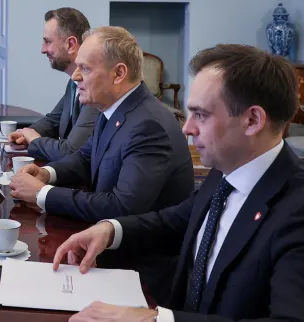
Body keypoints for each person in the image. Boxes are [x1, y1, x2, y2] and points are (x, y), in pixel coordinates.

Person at [52, 45, 304, 322]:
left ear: (253, 120)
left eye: (201, 115)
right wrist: (110, 230)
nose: (187, 129)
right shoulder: (228, 169)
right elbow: (180, 221)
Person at [10, 26, 192, 223]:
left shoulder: (148, 126)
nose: (75, 76)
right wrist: (46, 173)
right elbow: (86, 158)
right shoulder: (115, 107)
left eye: (85, 68)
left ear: (119, 73)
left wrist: (42, 194)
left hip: (138, 251)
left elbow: (121, 207)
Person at [9, 8, 99, 162]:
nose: (42, 50)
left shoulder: (94, 89)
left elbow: (70, 151)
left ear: (71, 44)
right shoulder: (73, 83)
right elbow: (53, 121)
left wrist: (35, 141)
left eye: (48, 41)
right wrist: (27, 132)